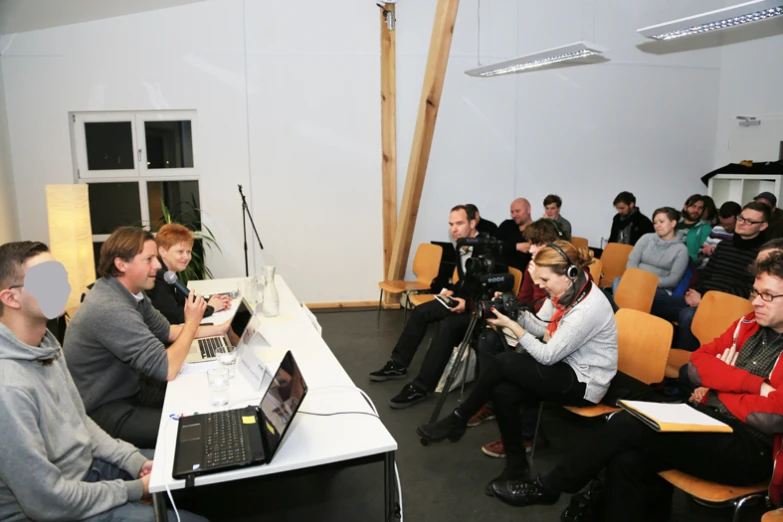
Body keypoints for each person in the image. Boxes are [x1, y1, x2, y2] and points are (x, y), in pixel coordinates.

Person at [486, 252, 783, 520]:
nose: (756, 301)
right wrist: (751, 386)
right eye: (755, 292)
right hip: (709, 420)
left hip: (753, 448)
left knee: (629, 425)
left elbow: (771, 417)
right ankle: (556, 488)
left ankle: (550, 486)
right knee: (628, 461)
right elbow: (694, 367)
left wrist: (719, 386)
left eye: (768, 295)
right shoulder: (747, 324)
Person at [0, 241, 206, 522]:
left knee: (201, 470)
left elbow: (79, 423)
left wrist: (134, 462)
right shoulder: (8, 388)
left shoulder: (46, 345)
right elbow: (47, 501)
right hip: (58, 507)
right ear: (11, 298)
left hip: (87, 470)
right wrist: (134, 488)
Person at [416, 241, 618, 493]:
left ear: (570, 274)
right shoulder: (567, 291)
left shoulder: (587, 308)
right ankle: (516, 465)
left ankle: (458, 419)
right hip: (566, 367)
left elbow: (547, 355)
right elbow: (545, 329)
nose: (540, 285)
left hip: (586, 383)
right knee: (504, 391)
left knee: (503, 362)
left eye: (544, 279)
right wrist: (514, 312)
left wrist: (513, 327)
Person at [64, 227, 232, 448]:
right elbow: (168, 368)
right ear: (121, 264)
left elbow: (168, 331)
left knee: (202, 393)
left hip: (130, 387)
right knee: (197, 429)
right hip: (105, 409)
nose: (158, 266)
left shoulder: (131, 293)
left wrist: (220, 329)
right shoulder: (110, 308)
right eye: (149, 259)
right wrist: (192, 321)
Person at [369, 206, 491, 409]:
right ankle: (398, 364)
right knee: (420, 311)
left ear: (472, 223)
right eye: (451, 224)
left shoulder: (488, 248)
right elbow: (466, 280)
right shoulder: (461, 245)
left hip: (477, 309)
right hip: (459, 299)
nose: (454, 229)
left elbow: (495, 288)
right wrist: (452, 290)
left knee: (447, 326)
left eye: (459, 223)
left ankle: (421, 386)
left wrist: (468, 304)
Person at [471, 219, 573, 459]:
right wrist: (510, 308)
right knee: (487, 340)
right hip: (536, 323)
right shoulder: (534, 265)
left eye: (537, 244)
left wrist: (518, 322)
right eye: (531, 244)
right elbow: (526, 299)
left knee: (520, 359)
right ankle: (493, 402)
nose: (532, 249)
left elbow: (550, 324)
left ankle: (526, 435)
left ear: (555, 247)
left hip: (555, 339)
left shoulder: (568, 276)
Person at [652, 202, 770, 351]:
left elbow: (747, 290)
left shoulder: (764, 255)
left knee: (687, 316)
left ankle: (688, 363)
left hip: (727, 307)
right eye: (741, 218)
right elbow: (705, 275)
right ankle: (659, 352)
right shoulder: (724, 245)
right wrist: (693, 292)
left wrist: (706, 300)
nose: (741, 223)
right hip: (703, 298)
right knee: (651, 300)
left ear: (763, 226)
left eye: (750, 221)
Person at [146, 223, 230, 325]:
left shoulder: (170, 272)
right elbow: (176, 315)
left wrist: (212, 301)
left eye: (188, 252)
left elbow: (185, 300)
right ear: (163, 252)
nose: (186, 257)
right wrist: (211, 308)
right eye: (180, 252)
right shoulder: (158, 276)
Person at [612, 207, 689, 296]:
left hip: (659, 288)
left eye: (661, 222)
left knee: (636, 292)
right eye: (655, 222)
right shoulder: (646, 238)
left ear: (673, 223)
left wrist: (648, 281)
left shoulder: (681, 250)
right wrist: (636, 277)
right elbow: (632, 260)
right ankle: (621, 308)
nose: (657, 225)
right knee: (618, 281)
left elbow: (673, 279)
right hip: (636, 280)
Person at [496, 198, 534, 272]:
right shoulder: (506, 225)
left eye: (517, 211)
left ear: (528, 210)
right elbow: (495, 245)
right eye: (512, 212)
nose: (514, 215)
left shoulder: (537, 230)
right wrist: (516, 247)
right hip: (504, 274)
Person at [699, 200, 741, 267]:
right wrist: (705, 250)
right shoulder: (717, 229)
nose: (725, 227)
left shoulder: (742, 235)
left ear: (739, 218)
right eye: (723, 224)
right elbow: (701, 251)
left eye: (729, 224)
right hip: (706, 268)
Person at [676, 194, 712, 263]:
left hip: (689, 266)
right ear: (685, 207)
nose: (696, 210)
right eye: (693, 206)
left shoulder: (705, 229)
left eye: (700, 208)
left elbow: (704, 254)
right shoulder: (674, 224)